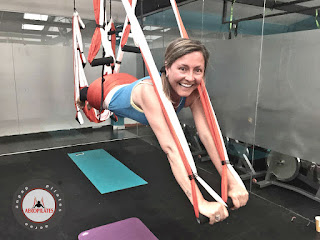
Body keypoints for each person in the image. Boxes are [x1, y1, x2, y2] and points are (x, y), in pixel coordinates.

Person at [78, 38, 248, 225]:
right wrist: (199, 203)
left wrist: (232, 180)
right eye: (182, 68)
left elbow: (208, 135)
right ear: (167, 67)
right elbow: (171, 148)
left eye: (197, 70)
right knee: (85, 95)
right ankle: (80, 97)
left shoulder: (194, 91)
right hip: (106, 90)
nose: (190, 77)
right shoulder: (150, 93)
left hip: (128, 82)